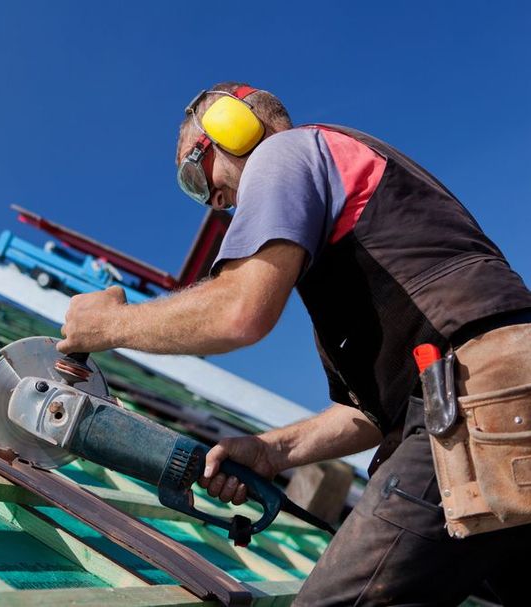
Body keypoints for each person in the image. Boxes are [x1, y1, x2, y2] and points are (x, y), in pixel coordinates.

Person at [56, 82, 531, 605]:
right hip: (495, 398)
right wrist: (271, 451)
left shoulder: (283, 152)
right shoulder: (355, 236)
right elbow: (368, 414)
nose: (215, 202)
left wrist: (107, 326)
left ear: (231, 129)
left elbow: (239, 312)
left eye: (195, 175)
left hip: (474, 398)